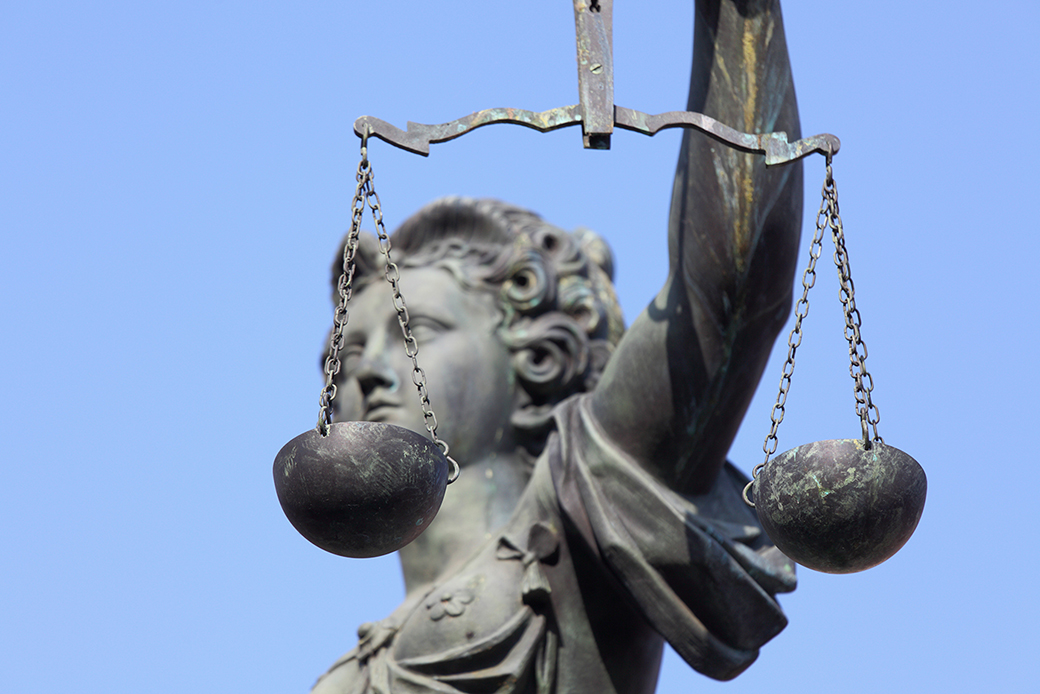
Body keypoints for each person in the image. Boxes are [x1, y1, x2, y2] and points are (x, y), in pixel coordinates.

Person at [311, 1, 803, 691]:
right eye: (348, 353)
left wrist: (738, 15)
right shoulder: (354, 667)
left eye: (414, 334)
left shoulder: (576, 520)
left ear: (533, 359)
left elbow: (726, 291)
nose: (365, 372)